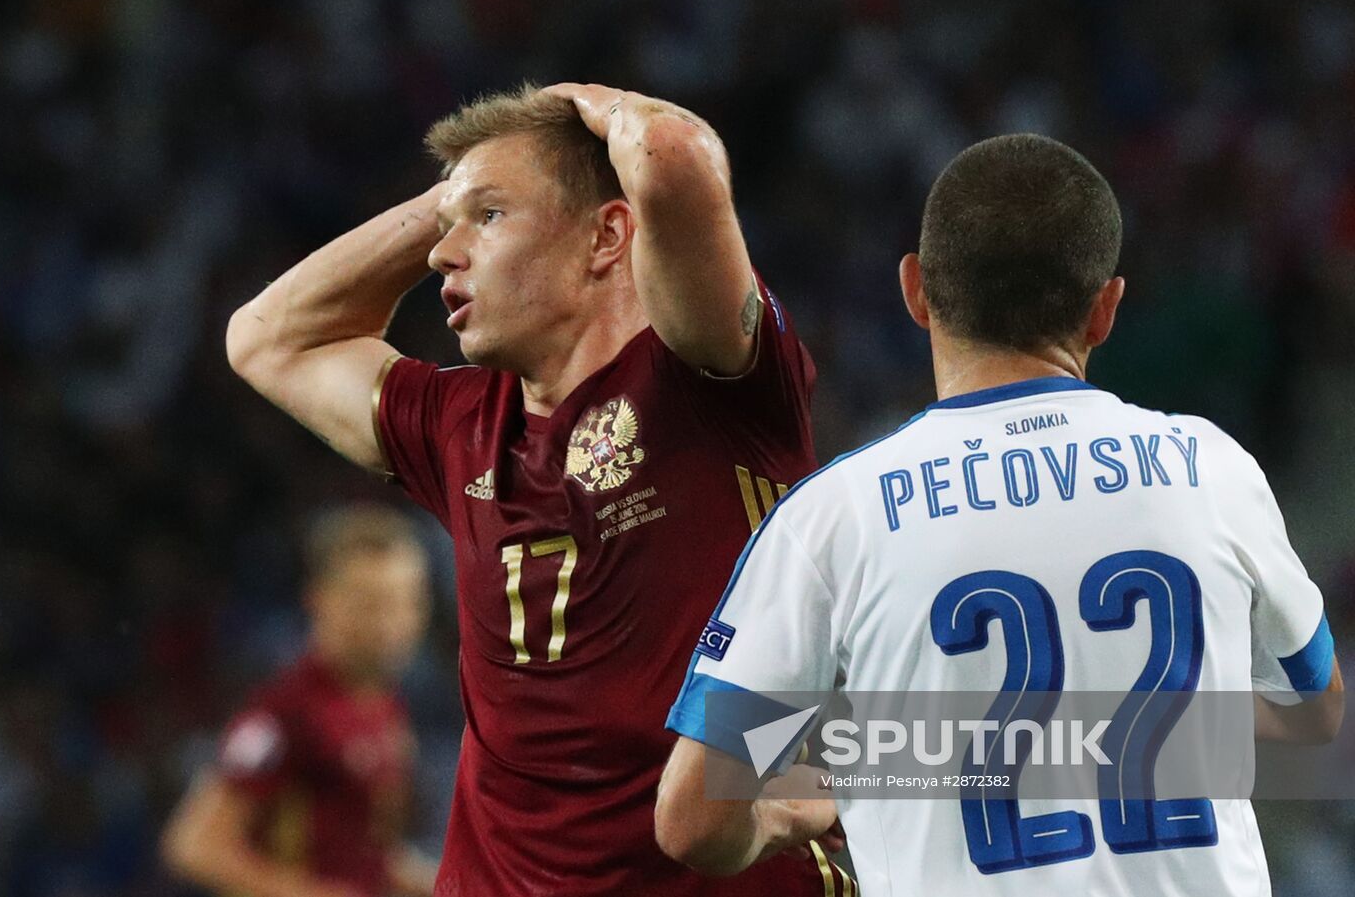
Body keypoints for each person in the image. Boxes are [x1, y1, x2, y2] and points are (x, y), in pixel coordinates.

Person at [657, 134, 1345, 895]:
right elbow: (1315, 712)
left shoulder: (834, 521)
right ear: (1105, 309)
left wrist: (803, 804)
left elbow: (695, 817)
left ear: (915, 290)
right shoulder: (1211, 467)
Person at [224, 82, 849, 895]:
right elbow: (266, 339)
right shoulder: (457, 425)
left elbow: (673, 156)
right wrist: (448, 203)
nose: (445, 255)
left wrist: (599, 105)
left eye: (489, 219)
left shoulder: (710, 380)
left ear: (607, 237)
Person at [162, 504, 436, 897]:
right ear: (319, 599)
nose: (389, 622)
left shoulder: (386, 705)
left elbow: (360, 852)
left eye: (404, 601)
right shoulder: (285, 711)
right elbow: (195, 845)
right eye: (368, 602)